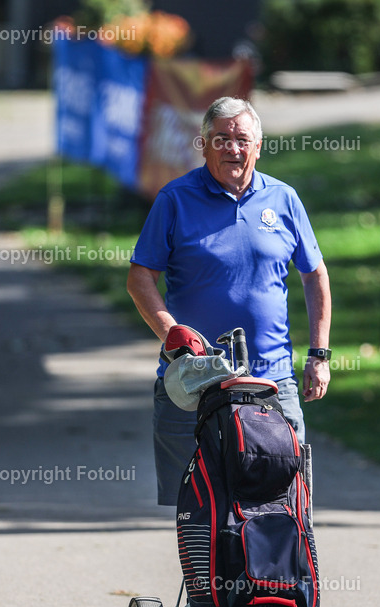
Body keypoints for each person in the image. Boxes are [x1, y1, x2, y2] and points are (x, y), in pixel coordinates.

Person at [127, 96, 332, 505]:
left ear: (259, 145)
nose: (232, 149)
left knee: (284, 505)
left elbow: (315, 275)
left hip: (271, 382)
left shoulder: (283, 199)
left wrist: (319, 354)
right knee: (199, 510)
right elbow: (139, 278)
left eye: (241, 139)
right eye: (220, 139)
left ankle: (272, 574)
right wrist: (174, 335)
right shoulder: (175, 200)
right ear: (203, 145)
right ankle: (208, 573)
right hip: (194, 382)